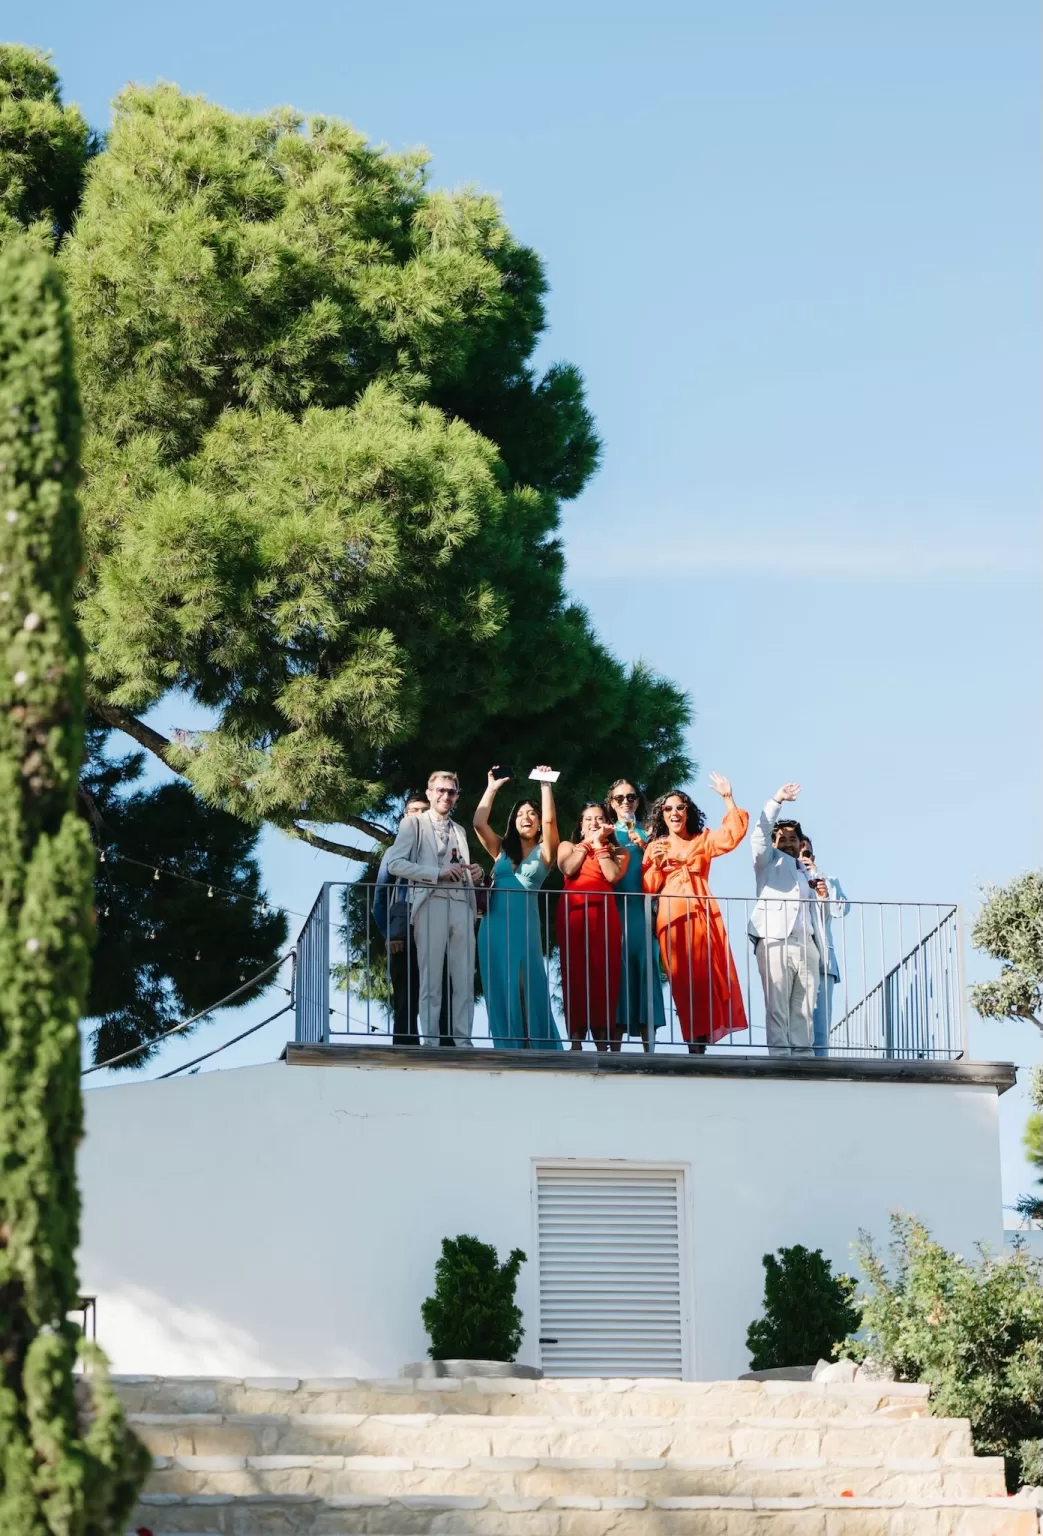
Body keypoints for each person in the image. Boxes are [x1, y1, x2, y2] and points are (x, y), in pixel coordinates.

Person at [642, 775, 749, 1052]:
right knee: (683, 982)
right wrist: (655, 865)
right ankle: (693, 1044)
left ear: (687, 812)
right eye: (668, 809)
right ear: (662, 815)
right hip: (672, 917)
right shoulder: (656, 846)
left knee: (705, 979)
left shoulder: (702, 841)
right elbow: (649, 887)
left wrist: (727, 798)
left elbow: (731, 835)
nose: (674, 813)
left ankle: (699, 1045)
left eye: (680, 807)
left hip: (702, 913)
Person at [385, 770, 483, 1046]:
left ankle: (464, 1042)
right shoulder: (413, 824)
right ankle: (431, 1042)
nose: (446, 796)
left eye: (451, 792)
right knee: (430, 979)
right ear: (429, 793)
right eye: (440, 790)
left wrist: (475, 873)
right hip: (430, 903)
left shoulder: (460, 830)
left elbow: (460, 867)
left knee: (464, 979)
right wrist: (436, 872)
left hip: (462, 904)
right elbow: (395, 864)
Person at [473, 767, 562, 1050]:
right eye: (520, 813)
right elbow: (478, 822)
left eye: (531, 814)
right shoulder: (500, 850)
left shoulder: (546, 851)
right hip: (493, 927)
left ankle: (537, 1048)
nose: (526, 817)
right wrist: (492, 788)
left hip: (524, 928)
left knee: (527, 986)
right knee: (500, 986)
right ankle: (507, 1048)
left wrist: (545, 785)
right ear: (513, 821)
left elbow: (550, 821)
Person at [748, 783, 826, 1056]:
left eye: (793, 839)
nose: (788, 843)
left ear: (801, 843)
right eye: (782, 838)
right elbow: (758, 835)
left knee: (804, 1008)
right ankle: (780, 1059)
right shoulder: (768, 862)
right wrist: (777, 799)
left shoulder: (807, 872)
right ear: (774, 842)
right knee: (778, 1007)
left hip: (807, 944)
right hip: (775, 941)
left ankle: (804, 1061)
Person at [556, 802, 629, 1051]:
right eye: (588, 819)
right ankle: (576, 1038)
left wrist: (599, 846)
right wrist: (587, 844)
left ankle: (602, 1039)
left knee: (603, 973)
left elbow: (610, 876)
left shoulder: (619, 852)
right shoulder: (568, 846)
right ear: (580, 824)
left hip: (604, 915)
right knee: (575, 971)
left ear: (608, 823)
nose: (593, 823)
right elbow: (567, 867)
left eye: (599, 818)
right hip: (572, 912)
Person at [606, 779, 666, 1048]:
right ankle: (613, 1051)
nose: (625, 802)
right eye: (619, 798)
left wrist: (644, 846)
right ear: (611, 803)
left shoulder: (652, 834)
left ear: (639, 802)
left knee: (646, 970)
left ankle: (649, 1049)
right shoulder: (605, 834)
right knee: (616, 974)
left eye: (631, 797)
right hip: (615, 911)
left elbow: (663, 871)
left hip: (644, 912)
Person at [372, 791, 430, 1044]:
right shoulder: (394, 852)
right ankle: (406, 1051)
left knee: (438, 992)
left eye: (423, 810)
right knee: (405, 997)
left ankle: (441, 1048)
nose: (417, 815)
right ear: (405, 817)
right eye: (412, 810)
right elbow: (380, 898)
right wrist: (389, 934)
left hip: (435, 924)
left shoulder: (441, 848)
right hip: (404, 929)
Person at [799, 835, 849, 1057]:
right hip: (795, 956)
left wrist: (822, 881)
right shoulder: (785, 881)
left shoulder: (827, 880)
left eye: (806, 853)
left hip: (822, 961)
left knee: (819, 1030)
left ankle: (819, 1072)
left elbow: (841, 910)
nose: (802, 856)